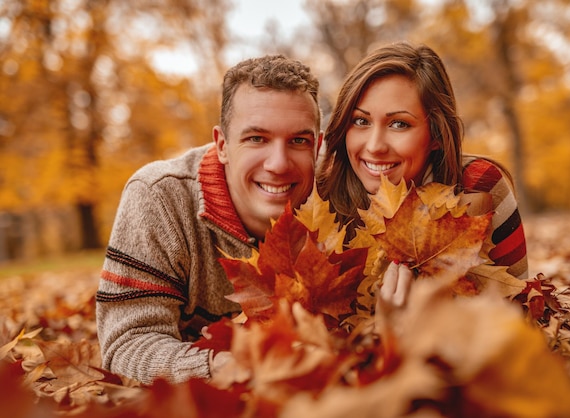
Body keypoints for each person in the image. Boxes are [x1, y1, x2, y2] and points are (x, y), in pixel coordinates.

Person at [96, 54, 323, 384]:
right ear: (222, 146)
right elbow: (127, 345)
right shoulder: (160, 198)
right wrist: (231, 367)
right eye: (256, 138)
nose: (278, 164)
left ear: (317, 147)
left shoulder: (343, 195)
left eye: (298, 141)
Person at [316, 41, 528, 306]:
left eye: (399, 124)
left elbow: (522, 308)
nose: (374, 146)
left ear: (436, 135)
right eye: (361, 121)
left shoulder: (478, 185)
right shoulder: (319, 196)